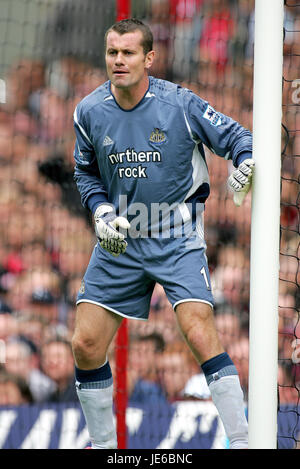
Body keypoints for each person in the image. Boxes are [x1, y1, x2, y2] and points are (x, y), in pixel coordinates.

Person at [71, 18, 254, 450]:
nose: (119, 60)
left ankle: (243, 440)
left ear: (149, 58)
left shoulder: (180, 104)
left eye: (129, 52)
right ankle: (103, 447)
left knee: (197, 330)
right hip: (119, 238)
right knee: (84, 343)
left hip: (176, 236)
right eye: (113, 52)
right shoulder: (89, 111)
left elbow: (236, 136)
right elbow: (85, 173)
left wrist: (244, 162)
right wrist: (99, 210)